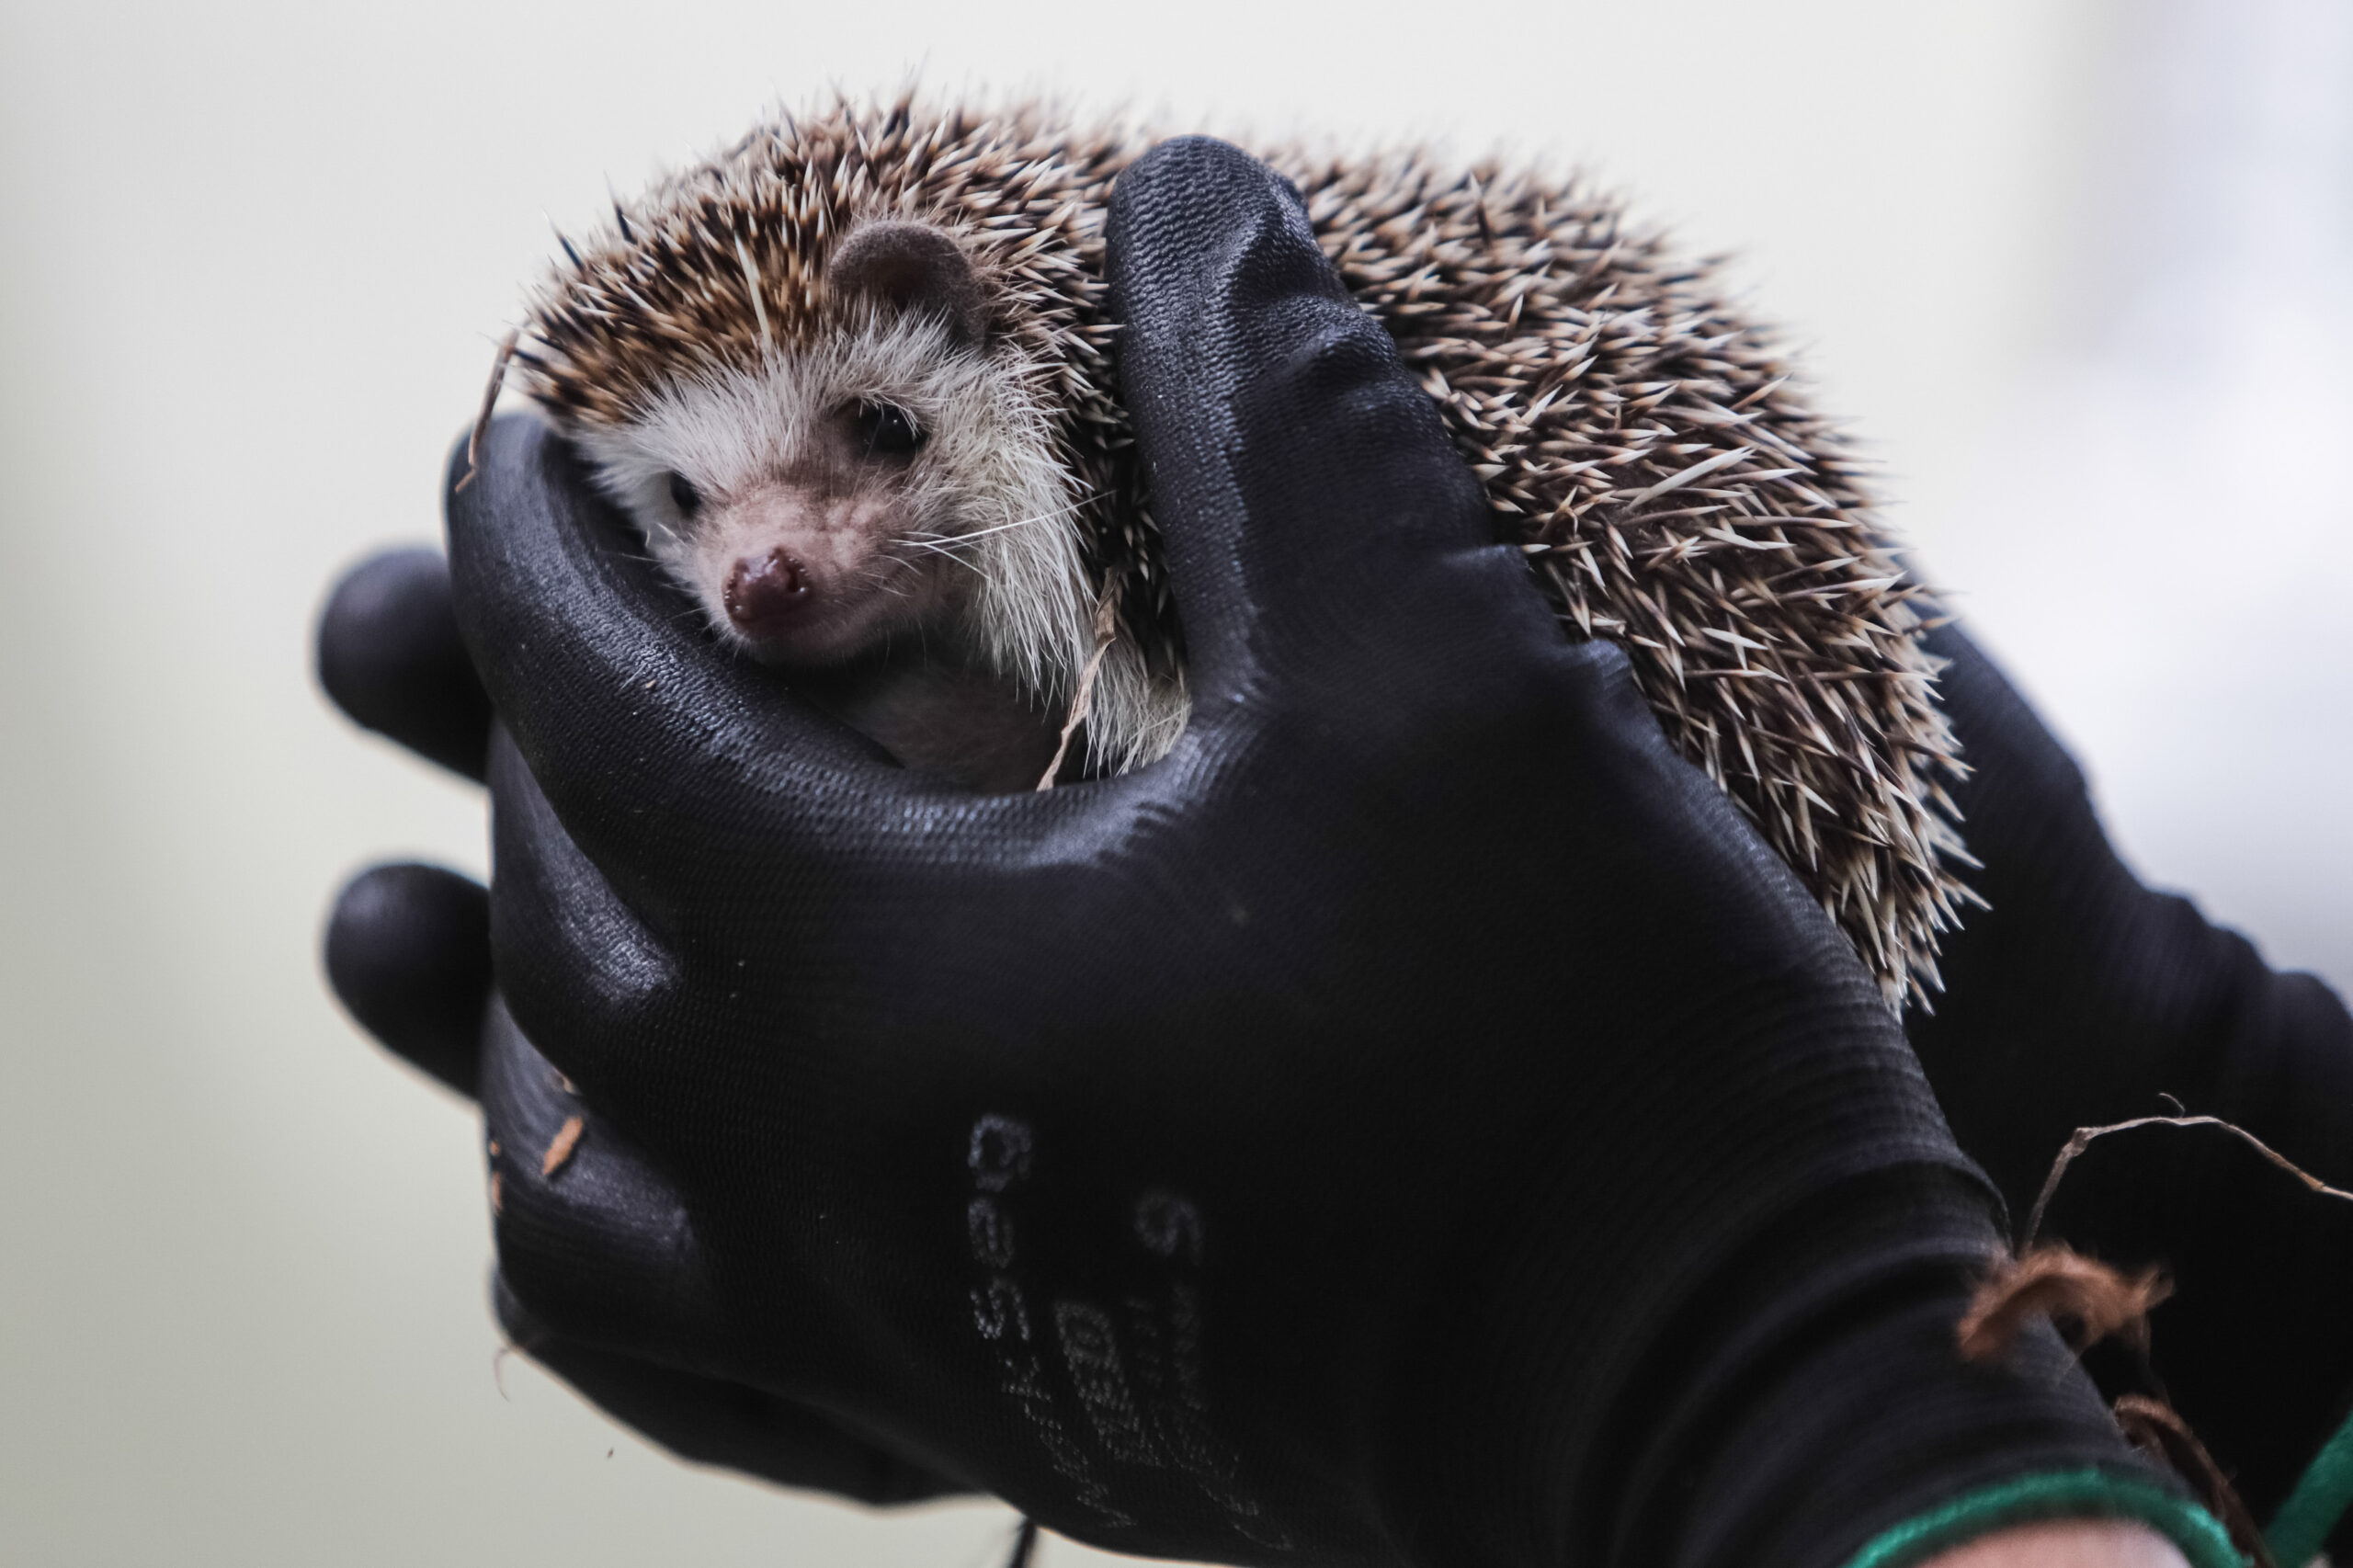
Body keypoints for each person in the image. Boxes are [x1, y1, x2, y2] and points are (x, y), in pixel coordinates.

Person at [318, 139, 2353, 1568]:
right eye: (683, 505)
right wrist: (2243, 1185)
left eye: (867, 444)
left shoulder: (1109, 505)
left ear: (960, 332)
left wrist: (1748, 1377)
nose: (761, 557)